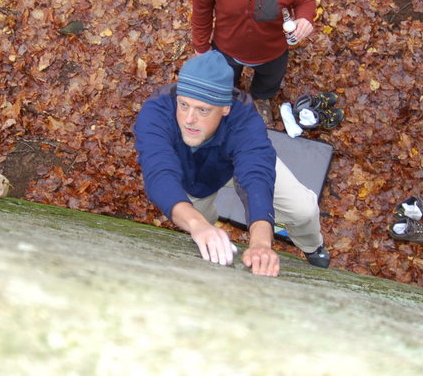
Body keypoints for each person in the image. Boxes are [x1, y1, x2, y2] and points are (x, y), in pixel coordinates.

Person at [133, 51, 330, 276]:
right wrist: (199, 225)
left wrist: (261, 241)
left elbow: (256, 173)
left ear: (225, 108)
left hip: (235, 165)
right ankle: (209, 229)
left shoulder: (243, 116)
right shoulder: (156, 112)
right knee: (199, 223)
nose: (189, 119)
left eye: (203, 110)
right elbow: (158, 171)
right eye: (184, 105)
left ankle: (313, 247)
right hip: (191, 179)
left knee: (302, 209)